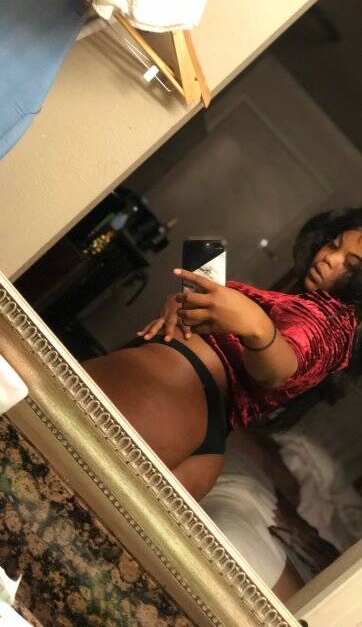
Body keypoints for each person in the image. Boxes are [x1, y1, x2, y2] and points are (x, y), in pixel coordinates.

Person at [83, 208, 362, 501]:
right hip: (207, 430)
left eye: (352, 264)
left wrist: (257, 328)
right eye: (334, 244)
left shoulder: (328, 322)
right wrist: (189, 304)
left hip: (175, 392)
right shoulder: (320, 315)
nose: (329, 258)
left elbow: (280, 369)